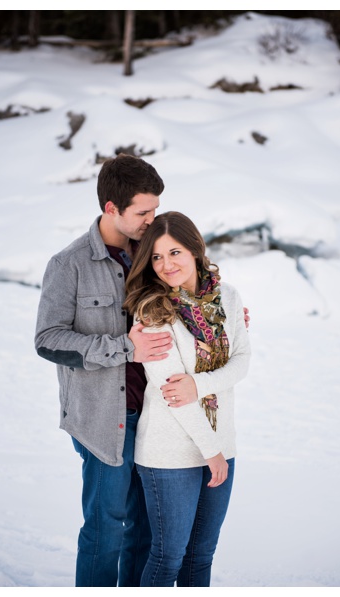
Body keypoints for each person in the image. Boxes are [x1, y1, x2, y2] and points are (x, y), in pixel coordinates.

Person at [35, 154, 170, 586]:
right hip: (101, 420)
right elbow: (48, 340)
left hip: (155, 415)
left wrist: (222, 314)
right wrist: (123, 348)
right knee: (106, 529)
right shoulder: (68, 265)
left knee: (147, 529)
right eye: (143, 211)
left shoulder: (151, 252)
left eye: (156, 208)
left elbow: (187, 295)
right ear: (112, 208)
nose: (153, 218)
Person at [123, 211, 251, 587]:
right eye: (157, 257)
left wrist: (199, 384)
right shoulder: (153, 310)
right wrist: (210, 450)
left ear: (195, 250)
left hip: (221, 444)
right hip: (170, 451)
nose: (166, 265)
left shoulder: (227, 297)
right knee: (167, 558)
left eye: (174, 252)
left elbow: (242, 363)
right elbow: (171, 394)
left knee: (201, 557)